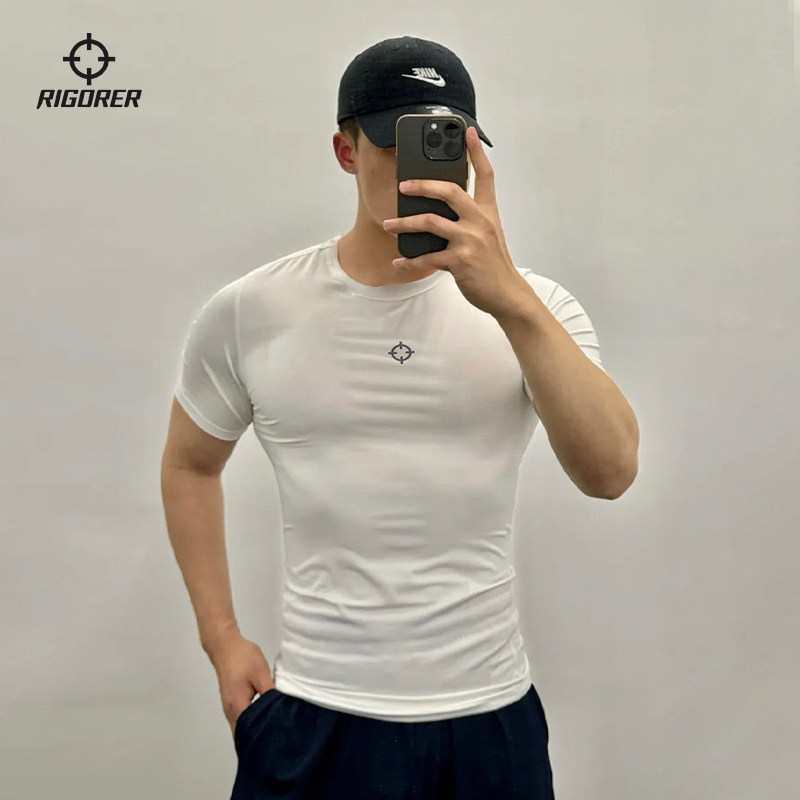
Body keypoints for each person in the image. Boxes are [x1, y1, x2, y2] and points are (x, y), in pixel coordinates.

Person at [161, 35, 638, 800]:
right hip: (318, 714)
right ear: (346, 151)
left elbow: (610, 473)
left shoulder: (537, 309)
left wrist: (508, 299)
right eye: (398, 142)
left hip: (490, 721)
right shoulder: (255, 310)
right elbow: (190, 463)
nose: (423, 170)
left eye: (448, 141)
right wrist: (221, 640)